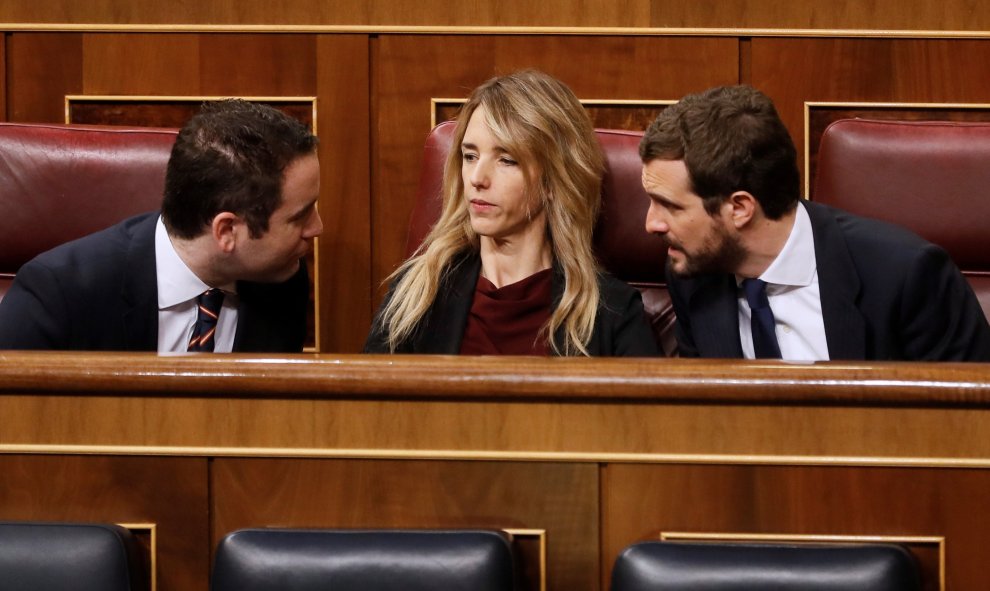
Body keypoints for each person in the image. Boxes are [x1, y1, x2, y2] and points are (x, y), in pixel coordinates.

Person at [640, 84, 990, 361]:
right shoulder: (692, 274)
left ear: (740, 208)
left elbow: (968, 423)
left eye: (669, 206)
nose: (651, 223)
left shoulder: (907, 276)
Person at [364, 70, 657, 356]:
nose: (477, 178)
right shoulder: (418, 293)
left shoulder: (612, 312)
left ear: (553, 181)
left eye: (506, 160)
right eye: (470, 156)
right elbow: (369, 404)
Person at [0, 99, 322, 352]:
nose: (317, 228)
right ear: (226, 231)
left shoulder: (281, 281)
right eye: (299, 216)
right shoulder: (57, 296)